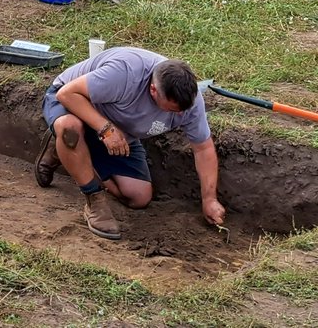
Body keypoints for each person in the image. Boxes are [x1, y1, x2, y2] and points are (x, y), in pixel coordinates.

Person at [34, 47, 225, 241]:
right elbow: (66, 94)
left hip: (118, 130)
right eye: (172, 109)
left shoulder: (189, 102)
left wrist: (209, 199)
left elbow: (203, 148)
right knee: (69, 129)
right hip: (72, 104)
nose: (179, 115)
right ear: (153, 91)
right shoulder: (124, 73)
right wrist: (106, 129)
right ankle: (94, 199)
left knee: (138, 197)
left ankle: (67, 153)